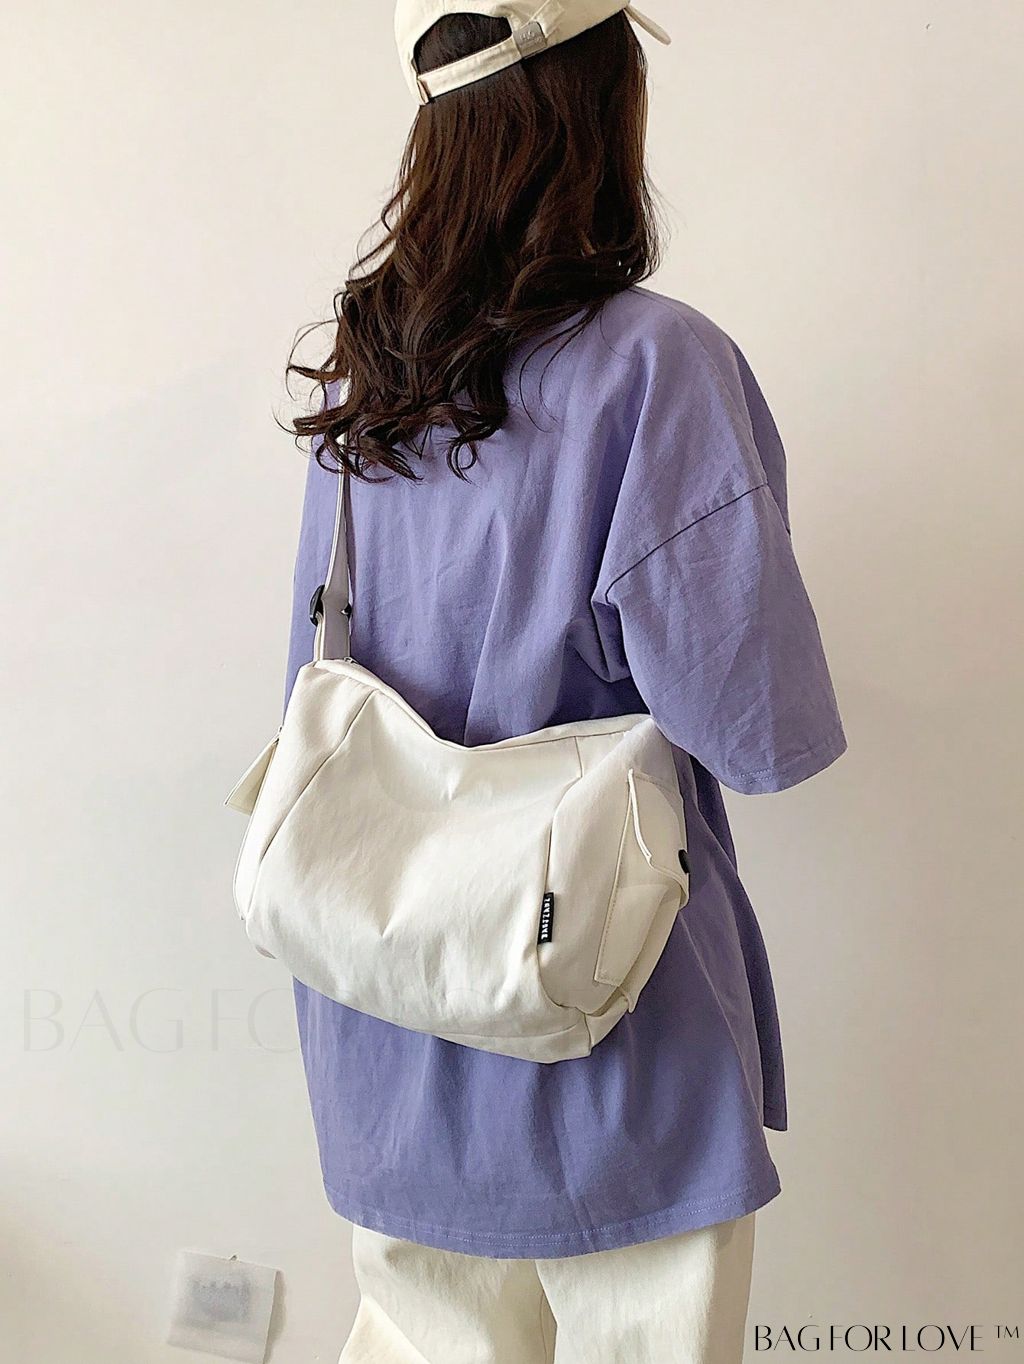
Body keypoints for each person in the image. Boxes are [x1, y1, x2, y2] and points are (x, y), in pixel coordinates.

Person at [280, 3, 848, 1360]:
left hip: (392, 1024)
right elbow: (758, 725)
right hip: (605, 1011)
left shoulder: (373, 371)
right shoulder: (656, 364)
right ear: (601, 111)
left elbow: (311, 683)